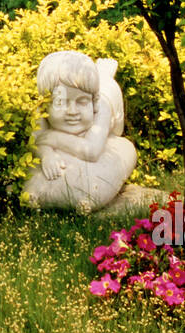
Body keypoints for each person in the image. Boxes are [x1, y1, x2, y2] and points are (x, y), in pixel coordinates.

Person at [25, 51, 138, 213]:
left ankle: (104, 74)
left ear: (94, 102)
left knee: (115, 136)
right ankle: (99, 76)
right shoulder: (39, 112)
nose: (72, 111)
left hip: (110, 94)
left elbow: (91, 151)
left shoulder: (103, 108)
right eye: (61, 102)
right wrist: (46, 154)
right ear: (45, 104)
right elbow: (35, 142)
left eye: (82, 102)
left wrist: (52, 137)